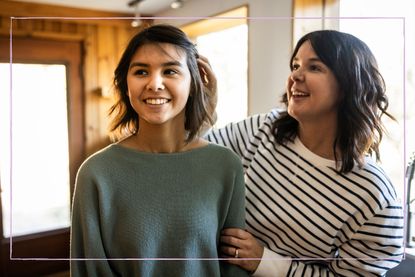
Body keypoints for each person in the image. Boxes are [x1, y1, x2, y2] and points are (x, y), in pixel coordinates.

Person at [203, 30, 404, 276]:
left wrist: (263, 261)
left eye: (315, 67)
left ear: (348, 84)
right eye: (295, 65)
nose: (295, 75)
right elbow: (195, 155)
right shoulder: (264, 128)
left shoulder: (375, 195)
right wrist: (205, 110)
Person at [70, 24, 249, 277]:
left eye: (170, 71)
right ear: (125, 83)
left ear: (193, 81)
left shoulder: (225, 166)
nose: (155, 84)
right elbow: (87, 270)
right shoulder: (96, 173)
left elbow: (234, 267)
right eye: (141, 71)